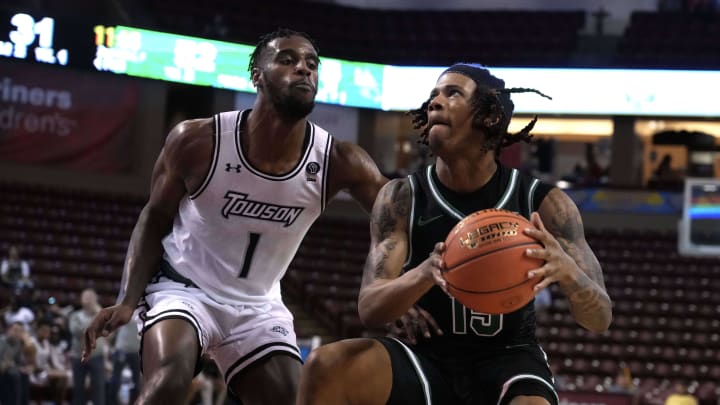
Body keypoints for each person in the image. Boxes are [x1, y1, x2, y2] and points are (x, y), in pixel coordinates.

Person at [83, 28, 387, 405]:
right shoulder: (197, 140)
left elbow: (396, 219)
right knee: (168, 384)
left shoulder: (339, 160)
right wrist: (128, 299)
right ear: (257, 76)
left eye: (312, 63)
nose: (304, 70)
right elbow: (155, 216)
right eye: (288, 60)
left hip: (258, 306)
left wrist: (405, 277)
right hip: (184, 289)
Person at [297, 63, 613, 405]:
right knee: (325, 365)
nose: (435, 102)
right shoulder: (401, 197)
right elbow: (370, 309)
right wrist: (423, 273)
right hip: (424, 357)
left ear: (489, 116)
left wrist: (567, 272)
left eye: (453, 93)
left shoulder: (545, 203)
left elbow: (600, 319)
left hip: (508, 358)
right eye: (433, 95)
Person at [70, 289, 107, 405]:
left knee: (99, 389)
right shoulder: (75, 315)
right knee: (78, 389)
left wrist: (98, 316)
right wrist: (95, 320)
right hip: (78, 356)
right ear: (81, 300)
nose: (89, 300)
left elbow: (106, 331)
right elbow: (76, 331)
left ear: (96, 299)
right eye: (86, 297)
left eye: (91, 297)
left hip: (97, 356)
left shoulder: (102, 315)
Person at [108, 321, 141, 405]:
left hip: (135, 350)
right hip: (122, 349)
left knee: (136, 381)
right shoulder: (126, 309)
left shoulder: (144, 312)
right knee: (116, 379)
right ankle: (113, 402)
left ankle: (134, 402)